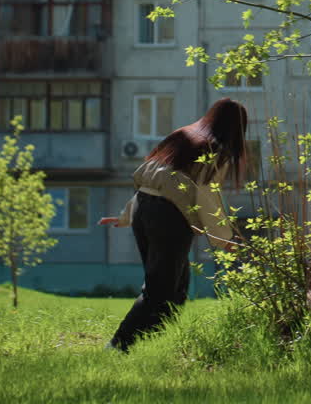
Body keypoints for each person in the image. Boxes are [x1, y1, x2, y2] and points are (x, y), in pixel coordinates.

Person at [98, 98, 248, 352]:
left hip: (145, 210)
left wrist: (127, 215)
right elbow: (206, 195)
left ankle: (153, 344)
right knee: (160, 290)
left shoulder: (181, 138)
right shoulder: (214, 148)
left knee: (175, 289)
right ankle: (118, 345)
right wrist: (224, 239)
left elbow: (152, 183)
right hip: (169, 218)